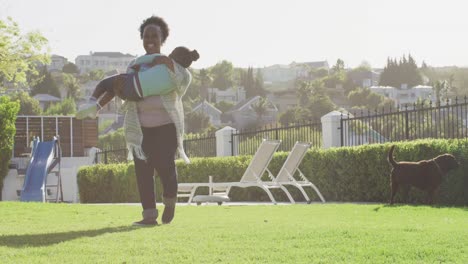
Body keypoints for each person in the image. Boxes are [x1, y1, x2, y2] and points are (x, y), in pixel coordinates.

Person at [124, 15, 193, 226]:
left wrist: (169, 65)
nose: (150, 39)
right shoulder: (135, 65)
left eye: (155, 35)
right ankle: (149, 217)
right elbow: (125, 90)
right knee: (143, 172)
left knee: (165, 167)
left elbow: (184, 82)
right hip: (141, 129)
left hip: (166, 127)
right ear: (142, 39)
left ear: (162, 39)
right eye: (147, 35)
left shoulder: (171, 63)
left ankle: (170, 201)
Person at [76, 46, 199, 119]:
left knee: (104, 84)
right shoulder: (184, 78)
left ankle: (91, 102)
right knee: (113, 89)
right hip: (138, 96)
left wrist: (140, 66)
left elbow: (147, 61)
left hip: (133, 83)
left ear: (173, 55)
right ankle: (96, 108)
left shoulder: (164, 61)